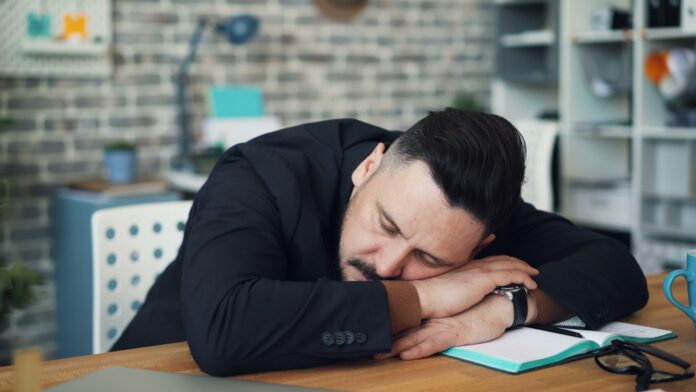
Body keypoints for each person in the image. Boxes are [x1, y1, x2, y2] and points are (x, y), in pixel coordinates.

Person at [112, 109, 648, 376]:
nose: (389, 263)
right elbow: (223, 329)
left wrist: (502, 309)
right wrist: (428, 296)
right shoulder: (258, 173)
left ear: (480, 245)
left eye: (431, 259)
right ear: (369, 166)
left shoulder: (461, 209)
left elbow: (614, 267)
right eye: (387, 225)